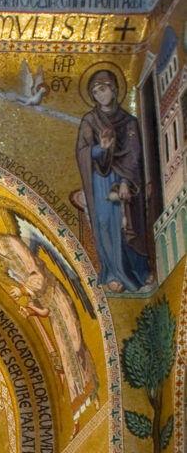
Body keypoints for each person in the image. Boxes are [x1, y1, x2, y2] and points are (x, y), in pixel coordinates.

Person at [0, 224, 99, 430]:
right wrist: (32, 308)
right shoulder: (0, 254)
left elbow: (37, 272)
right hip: (47, 303)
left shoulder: (11, 242)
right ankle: (81, 407)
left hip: (55, 293)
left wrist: (24, 289)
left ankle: (95, 389)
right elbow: (33, 292)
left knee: (75, 341)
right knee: (65, 352)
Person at [75, 68, 153, 294]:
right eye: (96, 92)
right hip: (101, 181)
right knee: (108, 225)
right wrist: (102, 148)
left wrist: (128, 181)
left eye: (103, 90)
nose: (101, 96)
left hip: (126, 180)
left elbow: (135, 152)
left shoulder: (129, 121)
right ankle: (112, 273)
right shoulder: (90, 120)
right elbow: (82, 152)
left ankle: (138, 270)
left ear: (114, 89)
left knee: (130, 222)